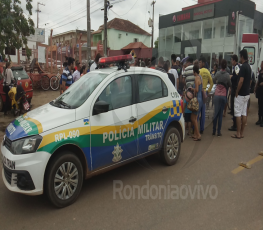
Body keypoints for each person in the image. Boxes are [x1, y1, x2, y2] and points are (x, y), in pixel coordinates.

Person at [231, 49, 251, 139]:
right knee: (244, 113)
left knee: (238, 113)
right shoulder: (249, 67)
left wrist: (237, 91)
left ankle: (238, 133)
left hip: (241, 94)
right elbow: (250, 80)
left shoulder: (243, 67)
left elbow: (241, 81)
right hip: (247, 93)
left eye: (240, 56)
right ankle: (242, 133)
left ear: (242, 56)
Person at [212, 60, 232, 136]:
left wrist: (218, 82)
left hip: (216, 95)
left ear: (220, 66)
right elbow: (230, 84)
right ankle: (218, 132)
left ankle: (213, 130)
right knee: (220, 114)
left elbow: (213, 80)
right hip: (223, 96)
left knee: (215, 113)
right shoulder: (227, 75)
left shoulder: (217, 73)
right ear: (226, 66)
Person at [199, 57, 213, 134]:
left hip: (200, 92)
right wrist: (208, 91)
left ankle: (195, 128)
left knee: (197, 111)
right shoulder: (207, 72)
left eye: (200, 62)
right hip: (205, 92)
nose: (199, 64)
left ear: (203, 63)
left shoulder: (199, 71)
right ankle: (202, 128)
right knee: (203, 111)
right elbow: (212, 83)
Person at [191, 65, 203, 141]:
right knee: (196, 117)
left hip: (197, 99)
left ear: (194, 71)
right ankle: (195, 134)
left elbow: (197, 90)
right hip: (200, 99)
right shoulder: (200, 77)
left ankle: (198, 135)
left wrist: (192, 89)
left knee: (193, 117)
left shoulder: (196, 78)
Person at [228, 55, 240, 131]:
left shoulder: (236, 67)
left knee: (234, 106)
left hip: (235, 88)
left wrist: (231, 77)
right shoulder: (235, 67)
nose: (231, 61)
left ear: (234, 60)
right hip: (234, 88)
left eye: (232, 60)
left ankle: (235, 125)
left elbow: (237, 77)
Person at [255, 61, 263, 127]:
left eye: (262, 64)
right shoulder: (260, 71)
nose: (261, 65)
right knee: (259, 105)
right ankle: (259, 119)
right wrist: (255, 87)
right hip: (259, 90)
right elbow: (258, 80)